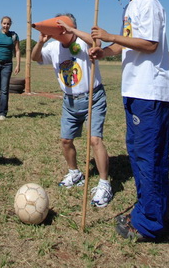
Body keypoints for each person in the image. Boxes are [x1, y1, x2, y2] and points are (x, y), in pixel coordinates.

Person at [89, 0, 169, 241]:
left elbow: (149, 44)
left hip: (150, 91)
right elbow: (125, 43)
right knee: (137, 153)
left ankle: (149, 224)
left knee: (149, 157)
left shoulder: (148, 3)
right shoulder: (131, 8)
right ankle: (143, 210)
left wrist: (110, 36)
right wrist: (104, 51)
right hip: (134, 91)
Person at [31, 13, 113, 207]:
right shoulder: (53, 48)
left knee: (95, 140)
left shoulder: (83, 42)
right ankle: (75, 173)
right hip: (69, 101)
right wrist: (41, 42)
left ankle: (104, 183)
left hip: (93, 98)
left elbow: (97, 44)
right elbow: (36, 58)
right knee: (66, 140)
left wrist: (73, 31)